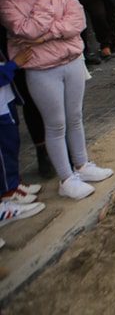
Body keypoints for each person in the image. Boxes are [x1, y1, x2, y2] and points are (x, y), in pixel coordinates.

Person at [0, 0, 114, 200]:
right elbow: (28, 31)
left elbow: (77, 21)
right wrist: (43, 0)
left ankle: (82, 165)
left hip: (72, 61)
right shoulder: (9, 3)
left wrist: (47, 34)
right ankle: (66, 178)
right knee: (55, 124)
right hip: (42, 70)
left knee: (75, 117)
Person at [0, 0, 54, 178]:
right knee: (22, 100)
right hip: (11, 44)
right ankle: (41, 151)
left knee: (42, 96)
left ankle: (56, 148)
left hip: (40, 40)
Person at [0, 40, 46, 218]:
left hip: (5, 98)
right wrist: (12, 65)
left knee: (11, 143)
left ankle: (12, 184)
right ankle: (8, 194)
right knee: (3, 151)